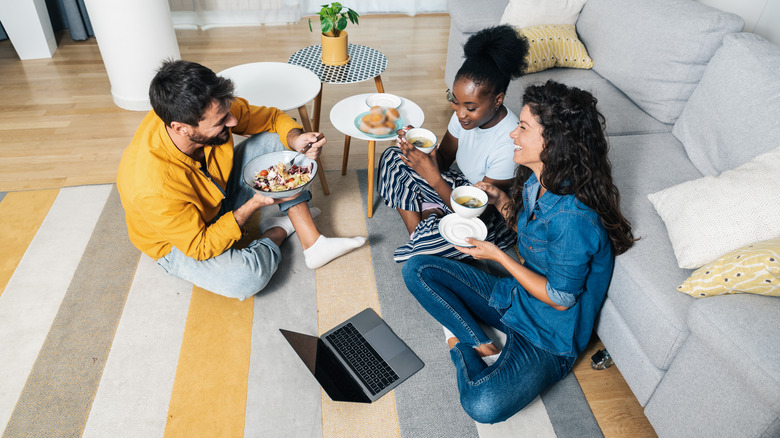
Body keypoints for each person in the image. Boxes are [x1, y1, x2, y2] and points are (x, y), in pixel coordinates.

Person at [401, 80, 637, 423]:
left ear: (553, 142)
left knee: (483, 405)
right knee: (417, 269)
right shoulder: (535, 179)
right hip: (517, 296)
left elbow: (560, 298)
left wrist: (497, 256)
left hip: (549, 335)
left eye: (523, 128)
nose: (513, 134)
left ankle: (460, 348)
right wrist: (501, 203)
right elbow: (528, 233)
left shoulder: (574, 218)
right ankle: (481, 343)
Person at [117, 59, 365, 300]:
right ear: (182, 128)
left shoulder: (206, 107)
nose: (233, 122)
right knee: (245, 278)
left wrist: (294, 139)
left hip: (217, 194)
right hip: (181, 241)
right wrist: (254, 204)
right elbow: (200, 246)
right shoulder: (151, 186)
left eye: (227, 112)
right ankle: (278, 229)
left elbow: (270, 119)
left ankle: (313, 244)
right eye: (222, 121)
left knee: (275, 142)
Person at [377, 25, 529, 262]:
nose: (460, 114)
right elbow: (444, 160)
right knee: (393, 157)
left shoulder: (510, 141)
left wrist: (433, 177)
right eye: (455, 101)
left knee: (431, 248)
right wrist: (420, 152)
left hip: (486, 215)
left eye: (470, 107)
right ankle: (420, 231)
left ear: (498, 100)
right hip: (457, 186)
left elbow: (477, 213)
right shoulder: (463, 116)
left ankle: (428, 228)